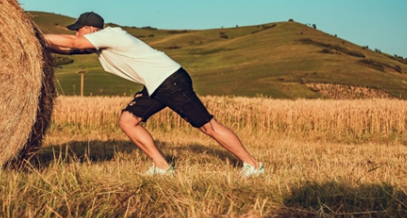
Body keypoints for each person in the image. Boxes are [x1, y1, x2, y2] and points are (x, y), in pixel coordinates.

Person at [44, 11, 264, 177]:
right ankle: (163, 167)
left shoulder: (111, 35)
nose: (76, 32)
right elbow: (70, 48)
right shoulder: (102, 44)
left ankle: (253, 165)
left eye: (78, 29)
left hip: (170, 80)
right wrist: (37, 43)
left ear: (90, 29)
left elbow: (73, 43)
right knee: (128, 121)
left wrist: (34, 33)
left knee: (208, 125)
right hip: (156, 84)